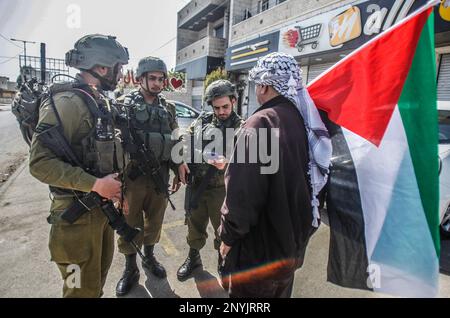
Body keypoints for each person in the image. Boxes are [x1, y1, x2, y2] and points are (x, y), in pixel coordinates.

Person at [218, 52, 332, 298]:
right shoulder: (305, 121)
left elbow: (243, 195)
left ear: (264, 85)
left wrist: (227, 237)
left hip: (258, 259)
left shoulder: (261, 123)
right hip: (290, 253)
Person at [29, 34, 129, 297]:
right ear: (102, 67)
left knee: (94, 287)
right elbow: (40, 163)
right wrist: (96, 184)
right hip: (76, 219)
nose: (121, 74)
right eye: (119, 67)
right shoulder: (68, 103)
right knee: (79, 292)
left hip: (101, 213)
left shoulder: (96, 100)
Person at [115, 56, 182, 296]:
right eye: (151, 78)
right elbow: (112, 145)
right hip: (131, 178)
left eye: (160, 78)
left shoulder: (168, 108)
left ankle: (150, 258)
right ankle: (130, 268)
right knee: (129, 223)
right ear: (140, 79)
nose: (157, 83)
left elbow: (175, 140)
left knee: (154, 221)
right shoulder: (123, 104)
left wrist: (179, 166)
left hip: (159, 176)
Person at [176, 80, 244, 281]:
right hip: (198, 186)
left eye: (225, 107)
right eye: (217, 107)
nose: (222, 111)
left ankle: (223, 262)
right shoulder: (202, 121)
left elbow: (246, 160)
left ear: (234, 101)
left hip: (222, 191)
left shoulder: (242, 127)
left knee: (222, 232)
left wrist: (228, 160)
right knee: (194, 226)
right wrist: (204, 155)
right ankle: (193, 258)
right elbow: (185, 144)